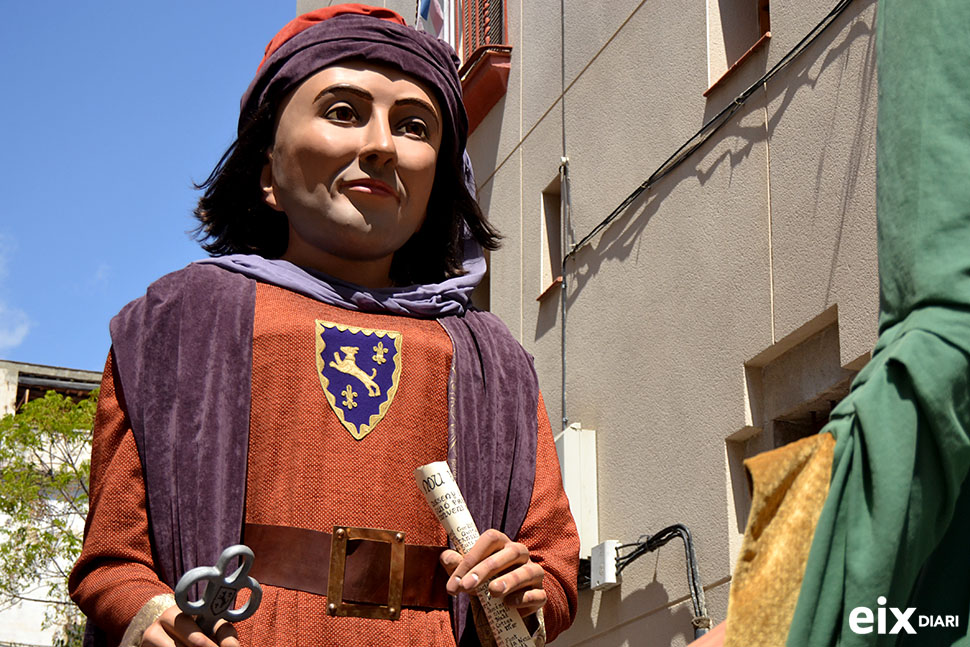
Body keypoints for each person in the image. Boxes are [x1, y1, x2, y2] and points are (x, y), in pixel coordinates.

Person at [69, 5, 579, 647]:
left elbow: (554, 572)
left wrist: (523, 584)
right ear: (266, 173)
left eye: (415, 126)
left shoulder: (492, 359)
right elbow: (111, 559)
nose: (381, 146)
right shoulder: (175, 325)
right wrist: (149, 614)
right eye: (343, 112)